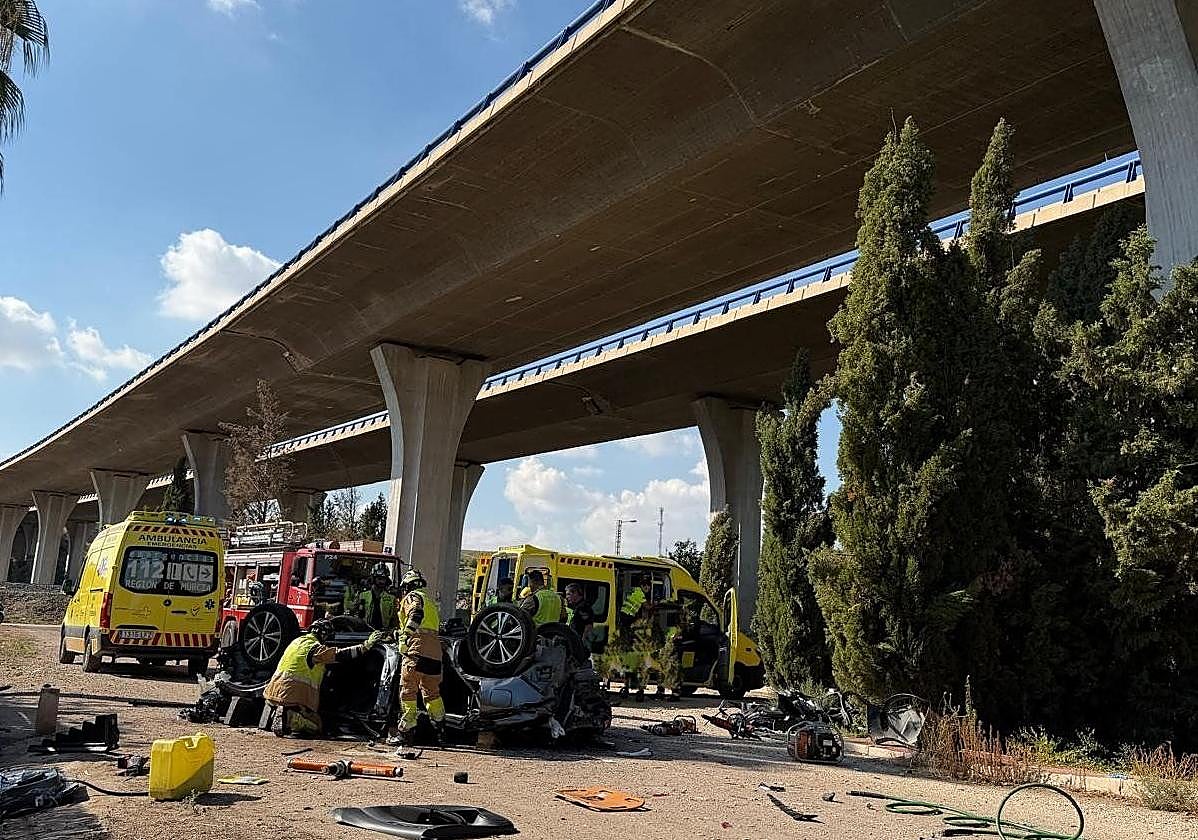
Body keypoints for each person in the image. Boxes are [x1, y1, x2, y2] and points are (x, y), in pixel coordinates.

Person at [263, 619, 382, 735]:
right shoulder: (314, 648)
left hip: (274, 692)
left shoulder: (296, 642)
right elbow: (339, 654)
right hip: (293, 696)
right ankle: (290, 718)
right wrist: (365, 646)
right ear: (324, 634)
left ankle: (279, 713)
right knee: (317, 726)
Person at [394, 569, 444, 748]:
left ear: (407, 586)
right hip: (435, 650)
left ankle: (406, 732)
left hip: (417, 647)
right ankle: (440, 729)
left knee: (408, 689)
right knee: (432, 692)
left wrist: (405, 636)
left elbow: (416, 614)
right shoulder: (430, 601)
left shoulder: (412, 597)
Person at [358, 563, 398, 630]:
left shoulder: (391, 598)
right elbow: (356, 614)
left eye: (384, 579)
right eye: (379, 579)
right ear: (373, 579)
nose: (382, 582)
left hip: (383, 632)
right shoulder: (363, 595)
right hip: (364, 631)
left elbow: (394, 618)